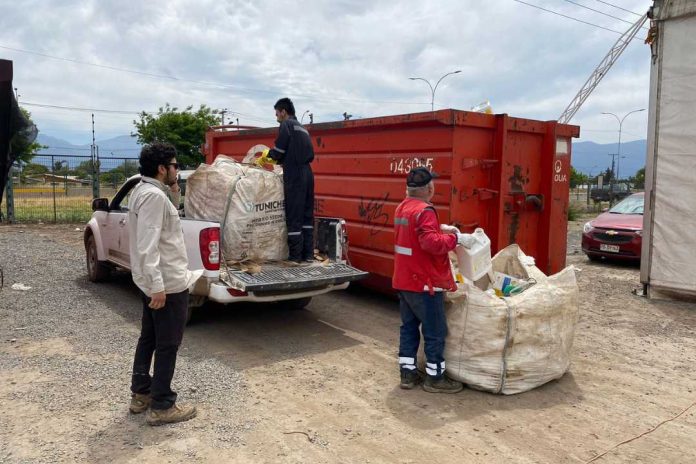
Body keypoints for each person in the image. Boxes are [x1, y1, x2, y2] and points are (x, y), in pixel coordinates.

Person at [127, 142, 202, 425]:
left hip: (152, 281)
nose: (177, 169)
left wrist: (173, 195)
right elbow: (148, 244)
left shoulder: (145, 192)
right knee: (168, 344)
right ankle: (162, 405)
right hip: (167, 284)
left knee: (148, 338)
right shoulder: (153, 198)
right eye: (173, 165)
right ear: (161, 169)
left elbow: (157, 230)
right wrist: (158, 286)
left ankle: (142, 393)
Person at [392, 167, 476, 393]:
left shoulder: (403, 207)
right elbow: (430, 243)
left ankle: (407, 375)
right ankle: (435, 378)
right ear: (429, 188)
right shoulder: (425, 210)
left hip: (404, 279)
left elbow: (416, 233)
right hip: (424, 283)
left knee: (408, 327)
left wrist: (442, 229)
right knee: (435, 331)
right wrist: (456, 238)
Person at [267, 97, 315, 263]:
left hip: (294, 173)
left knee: (294, 214)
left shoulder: (286, 125)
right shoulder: (303, 128)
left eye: (277, 114)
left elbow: (279, 150)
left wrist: (268, 156)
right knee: (307, 215)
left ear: (283, 112)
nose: (276, 117)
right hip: (308, 173)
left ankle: (295, 257)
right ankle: (308, 255)